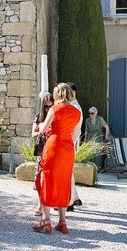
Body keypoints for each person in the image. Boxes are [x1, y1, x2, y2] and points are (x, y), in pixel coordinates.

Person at [34, 83, 81, 234]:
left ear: (58, 94)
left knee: (47, 180)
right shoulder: (76, 112)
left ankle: (46, 220)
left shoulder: (55, 109)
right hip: (67, 148)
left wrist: (40, 126)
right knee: (64, 182)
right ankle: (62, 222)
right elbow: (75, 134)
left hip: (54, 146)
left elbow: (42, 130)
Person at [31, 93, 53, 216]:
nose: (49, 109)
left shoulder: (56, 116)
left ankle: (48, 204)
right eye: (46, 107)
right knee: (39, 179)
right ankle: (40, 204)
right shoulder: (38, 117)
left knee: (51, 179)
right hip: (42, 151)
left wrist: (42, 129)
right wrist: (42, 130)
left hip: (54, 151)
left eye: (51, 106)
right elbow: (33, 134)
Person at [67, 83, 84, 211]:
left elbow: (75, 130)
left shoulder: (75, 108)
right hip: (69, 142)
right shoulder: (73, 106)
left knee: (67, 173)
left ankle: (70, 201)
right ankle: (74, 197)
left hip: (69, 143)